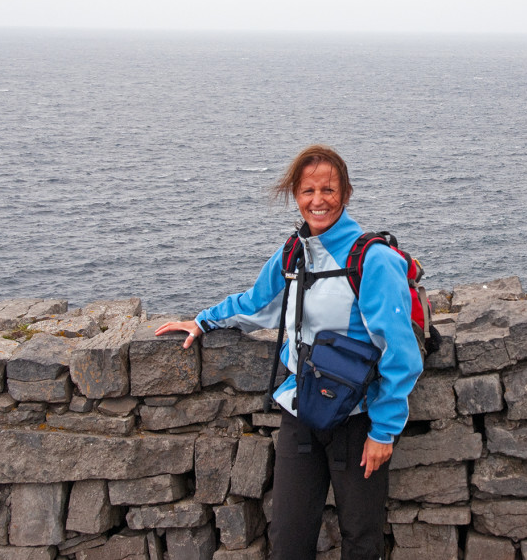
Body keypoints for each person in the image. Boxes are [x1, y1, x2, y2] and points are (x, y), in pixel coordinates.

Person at [155, 144, 423, 560]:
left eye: (329, 190)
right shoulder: (293, 253)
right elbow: (258, 303)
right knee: (289, 538)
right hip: (301, 411)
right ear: (295, 196)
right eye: (307, 191)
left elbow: (401, 353)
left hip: (358, 420)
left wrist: (384, 431)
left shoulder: (373, 260)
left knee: (361, 539)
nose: (318, 201)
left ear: (346, 193)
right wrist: (203, 321)